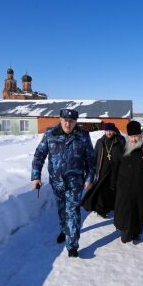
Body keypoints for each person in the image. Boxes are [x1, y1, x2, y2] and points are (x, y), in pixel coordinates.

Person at [31, 108, 96, 258]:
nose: (68, 123)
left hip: (75, 182)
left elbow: (91, 160)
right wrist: (36, 176)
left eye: (72, 121)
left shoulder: (83, 136)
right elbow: (39, 155)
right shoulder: (50, 134)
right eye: (65, 120)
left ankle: (72, 245)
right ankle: (64, 229)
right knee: (62, 209)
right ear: (60, 120)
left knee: (72, 211)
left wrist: (89, 178)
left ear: (75, 122)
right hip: (57, 181)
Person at [113, 121, 143, 244]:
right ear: (128, 136)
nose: (134, 140)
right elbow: (115, 167)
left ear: (140, 136)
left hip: (140, 187)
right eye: (132, 137)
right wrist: (114, 185)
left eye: (137, 137)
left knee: (138, 211)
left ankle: (137, 232)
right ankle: (125, 232)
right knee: (125, 211)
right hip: (124, 188)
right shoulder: (121, 148)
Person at [82, 122, 125, 218]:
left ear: (114, 131)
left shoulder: (119, 142)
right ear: (105, 131)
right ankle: (101, 210)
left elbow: (124, 156)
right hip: (102, 170)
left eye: (111, 131)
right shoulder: (100, 142)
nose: (109, 133)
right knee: (100, 191)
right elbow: (94, 156)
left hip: (114, 171)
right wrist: (92, 169)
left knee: (111, 191)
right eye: (107, 130)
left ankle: (110, 207)